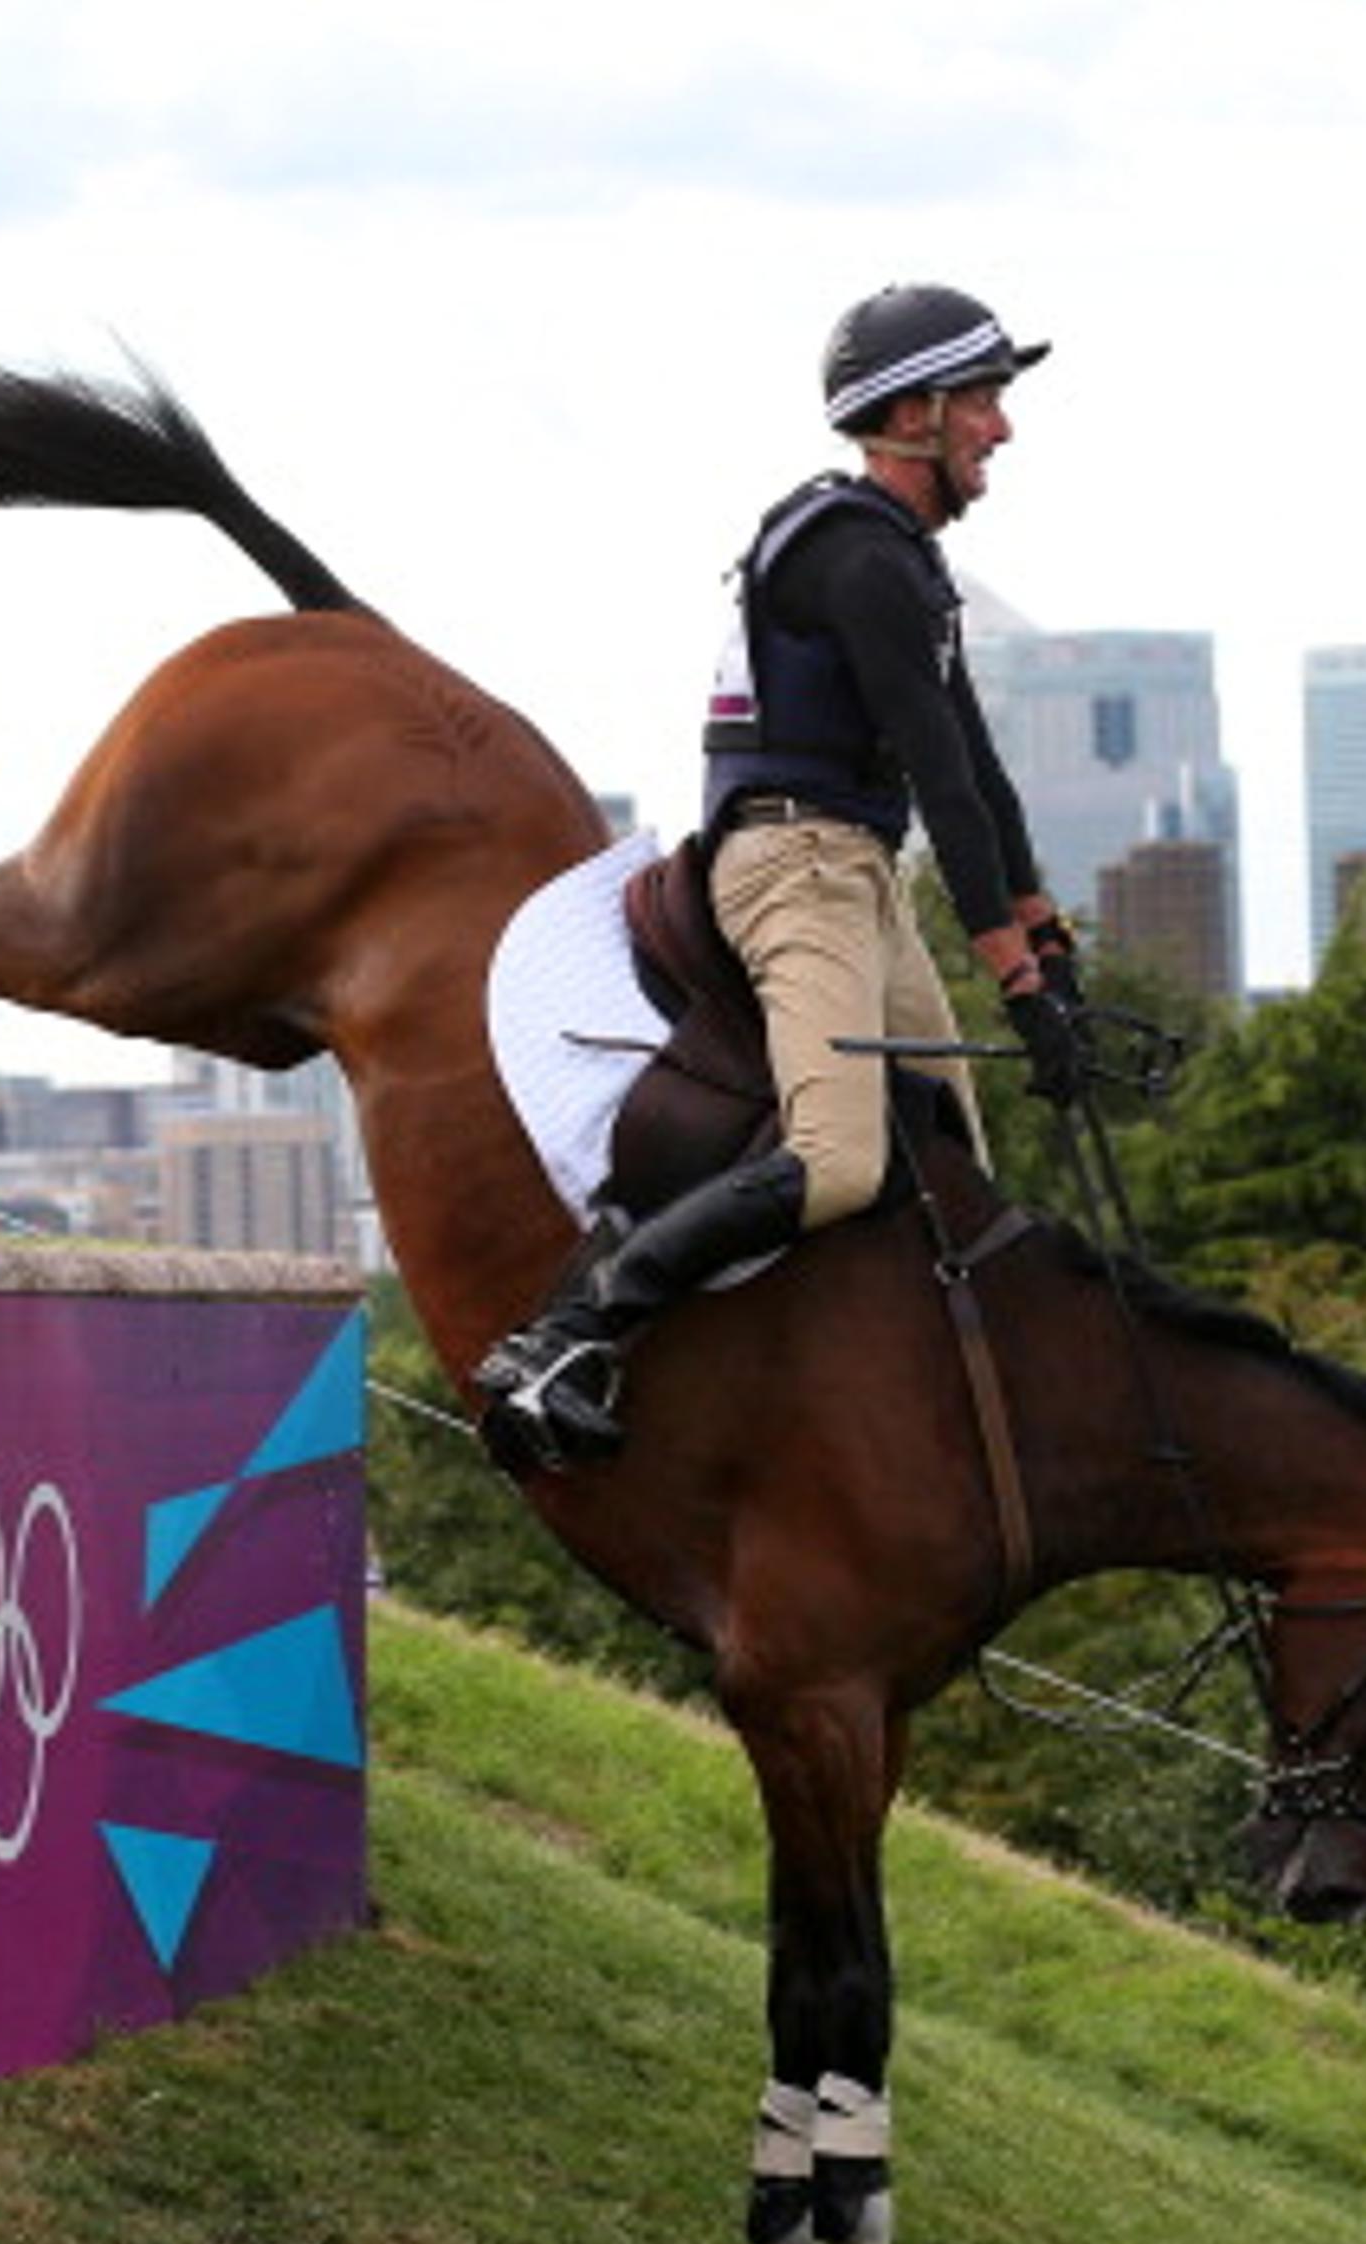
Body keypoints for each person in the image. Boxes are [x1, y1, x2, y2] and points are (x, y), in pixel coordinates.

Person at [477, 283, 1089, 1470]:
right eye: (984, 403)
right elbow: (941, 782)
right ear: (913, 415)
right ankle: (566, 1335)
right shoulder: (859, 562)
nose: (1001, 431)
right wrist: (1012, 981)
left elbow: (981, 776)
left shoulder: (904, 564)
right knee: (844, 1158)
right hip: (795, 867)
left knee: (951, 1153)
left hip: (856, 866)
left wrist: (1048, 951)